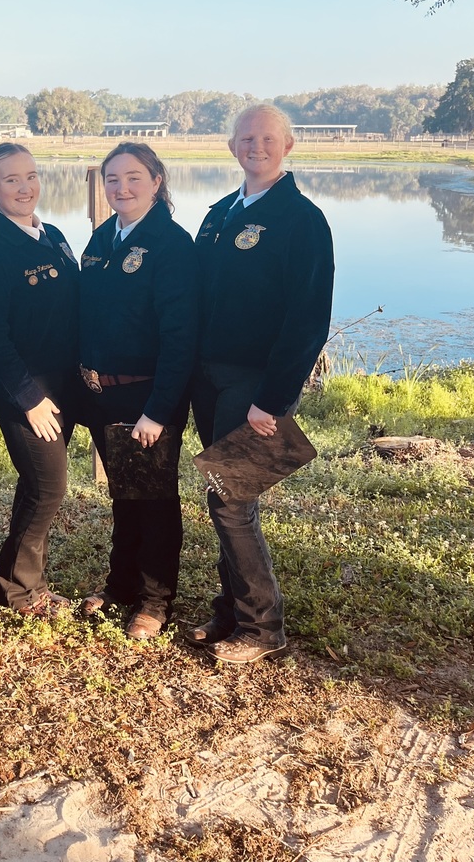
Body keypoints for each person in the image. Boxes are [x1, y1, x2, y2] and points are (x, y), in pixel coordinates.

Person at [190, 103, 334, 664]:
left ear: (288, 145)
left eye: (268, 138)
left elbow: (307, 321)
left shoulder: (303, 220)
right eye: (246, 138)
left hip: (256, 386)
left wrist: (272, 399)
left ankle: (262, 626)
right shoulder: (221, 212)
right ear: (232, 147)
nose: (257, 145)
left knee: (231, 500)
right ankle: (230, 609)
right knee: (223, 494)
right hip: (209, 378)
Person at [78, 142, 199, 640]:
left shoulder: (172, 245)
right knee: (124, 496)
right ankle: (120, 585)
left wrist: (158, 410)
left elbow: (181, 338)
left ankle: (154, 600)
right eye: (112, 179)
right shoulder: (105, 237)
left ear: (156, 181)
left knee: (154, 499)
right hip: (104, 394)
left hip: (150, 395)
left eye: (133, 177)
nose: (121, 188)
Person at [0, 143, 81, 617]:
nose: (24, 187)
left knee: (36, 486)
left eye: (31, 176)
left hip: (65, 385)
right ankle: (19, 592)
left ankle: (15, 582)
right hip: (26, 391)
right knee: (49, 487)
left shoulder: (51, 234)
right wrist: (30, 397)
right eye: (11, 180)